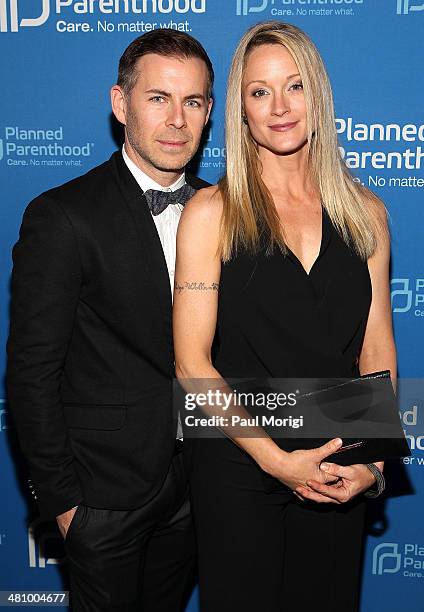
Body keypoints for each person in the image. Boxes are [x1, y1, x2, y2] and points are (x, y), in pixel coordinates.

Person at [173, 21, 394, 612]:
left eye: (293, 86)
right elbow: (192, 363)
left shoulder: (366, 214)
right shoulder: (212, 212)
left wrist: (371, 462)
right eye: (259, 91)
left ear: (317, 96)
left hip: (334, 460)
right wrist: (276, 460)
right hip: (240, 462)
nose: (279, 107)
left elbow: (375, 351)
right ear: (240, 110)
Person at [7, 29, 213, 611]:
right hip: (104, 496)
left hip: (199, 484)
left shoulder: (222, 210)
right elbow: (31, 372)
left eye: (192, 102)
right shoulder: (63, 215)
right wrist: (65, 503)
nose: (176, 120)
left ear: (208, 114)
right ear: (121, 105)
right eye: (158, 98)